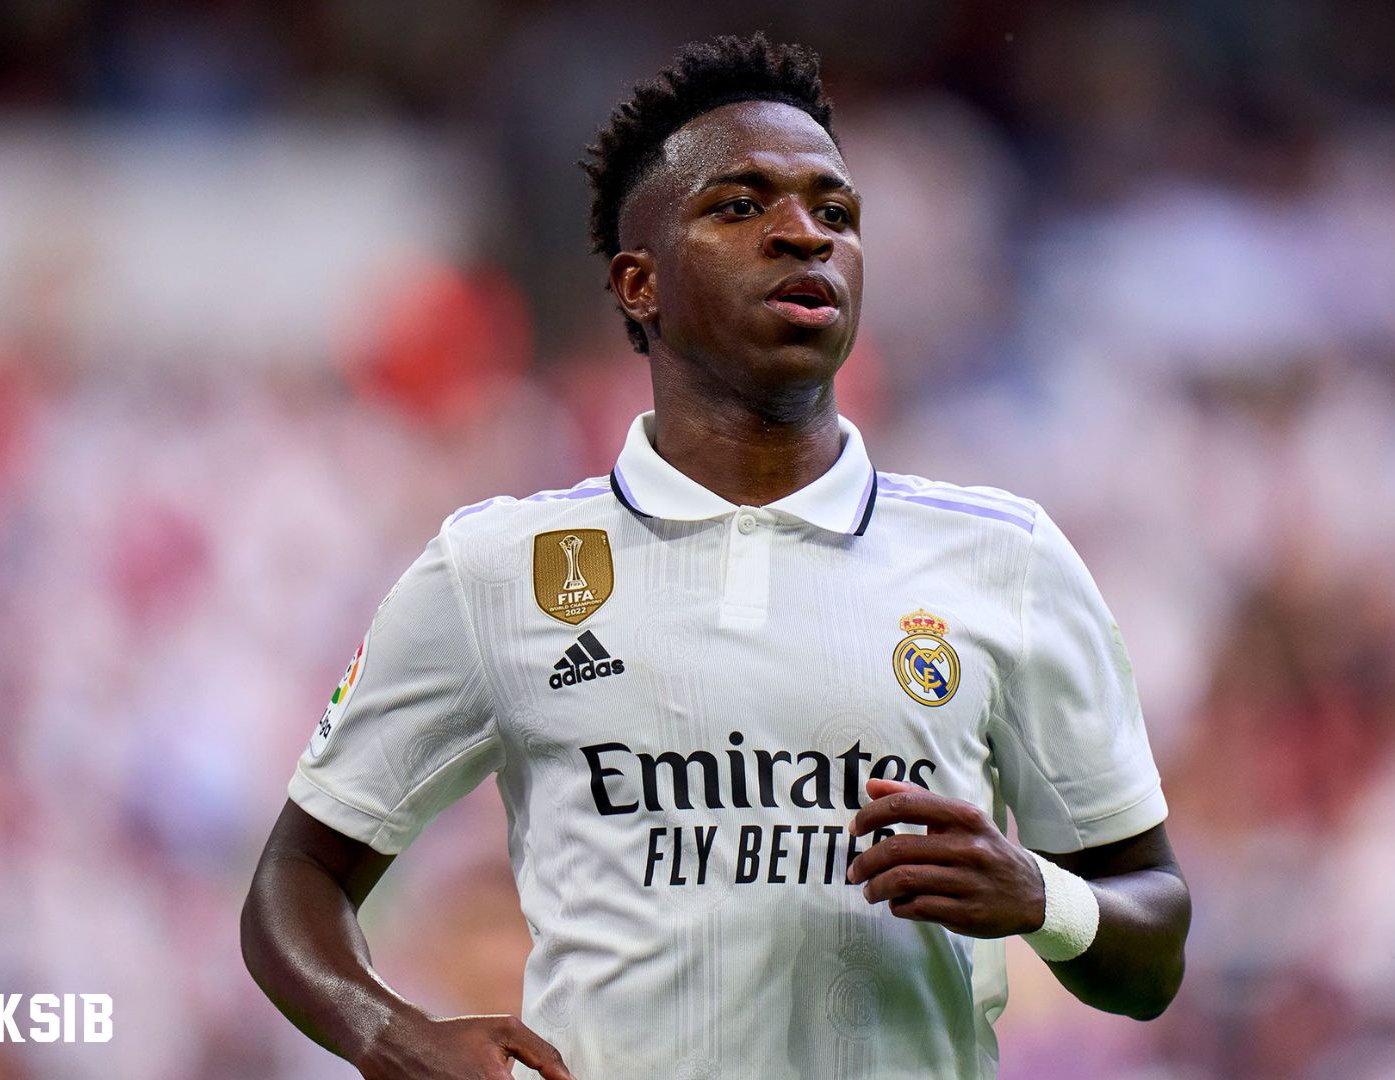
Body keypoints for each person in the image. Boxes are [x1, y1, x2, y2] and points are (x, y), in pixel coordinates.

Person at [241, 33, 1189, 1080]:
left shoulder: (1006, 559)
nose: (805, 234)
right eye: (740, 206)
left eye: (836, 213)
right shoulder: (499, 568)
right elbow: (296, 879)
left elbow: (1153, 946)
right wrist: (391, 1034)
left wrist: (1042, 897)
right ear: (638, 283)